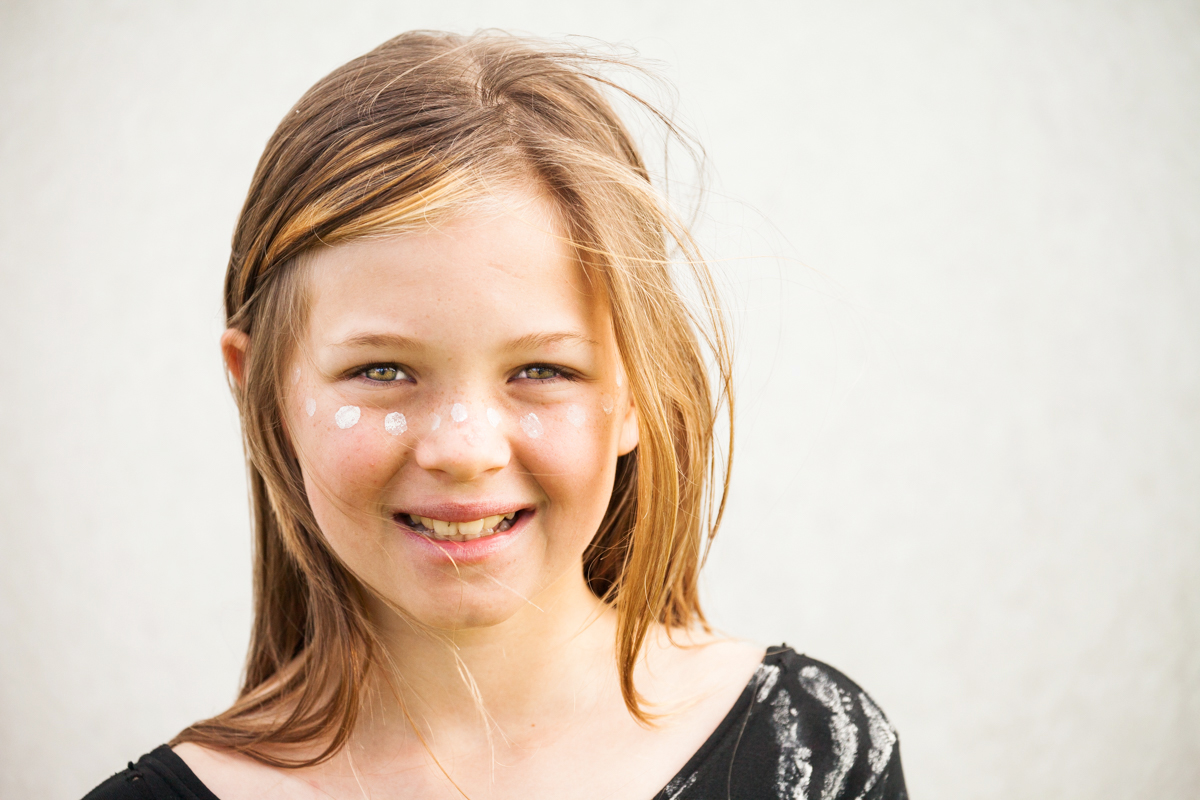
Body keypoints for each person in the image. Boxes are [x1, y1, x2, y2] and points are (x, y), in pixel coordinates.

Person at [84, 30, 907, 800]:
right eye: (382, 371)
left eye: (542, 370)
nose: (464, 449)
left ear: (637, 392)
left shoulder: (813, 757)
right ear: (259, 389)